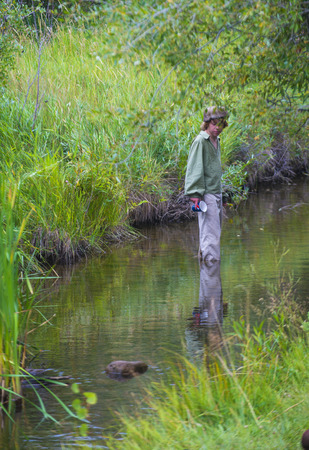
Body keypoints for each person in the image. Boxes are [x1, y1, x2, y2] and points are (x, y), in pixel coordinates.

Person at [185, 106, 228, 264]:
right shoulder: (200, 141)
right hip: (206, 194)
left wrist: (222, 195)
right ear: (206, 124)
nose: (217, 127)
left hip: (216, 192)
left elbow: (213, 169)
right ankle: (211, 273)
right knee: (211, 238)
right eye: (214, 123)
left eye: (221, 124)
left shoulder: (216, 140)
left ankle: (208, 275)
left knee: (213, 235)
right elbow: (195, 168)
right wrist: (195, 195)